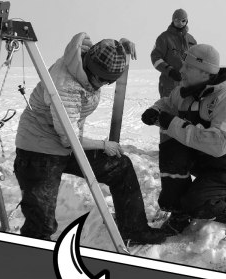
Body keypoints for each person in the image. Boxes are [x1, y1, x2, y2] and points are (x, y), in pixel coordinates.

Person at [13, 34, 168, 245]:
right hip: (39, 150)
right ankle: (33, 252)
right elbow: (69, 139)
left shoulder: (88, 59)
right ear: (88, 66)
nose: (102, 84)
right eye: (100, 78)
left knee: (120, 167)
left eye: (108, 81)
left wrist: (120, 49)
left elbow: (105, 52)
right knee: (41, 222)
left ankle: (134, 230)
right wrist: (104, 145)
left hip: (66, 144)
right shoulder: (65, 86)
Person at [141, 43, 226, 233]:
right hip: (204, 157)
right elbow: (168, 103)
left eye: (188, 67)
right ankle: (179, 212)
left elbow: (218, 144)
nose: (181, 70)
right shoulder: (186, 90)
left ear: (205, 73)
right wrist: (156, 110)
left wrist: (172, 123)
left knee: (197, 204)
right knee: (171, 145)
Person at [150, 9, 196, 98]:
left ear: (187, 21)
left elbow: (197, 60)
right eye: (177, 20)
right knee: (168, 106)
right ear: (173, 20)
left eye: (183, 21)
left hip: (187, 85)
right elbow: (155, 58)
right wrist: (170, 71)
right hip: (169, 84)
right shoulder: (163, 38)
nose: (180, 23)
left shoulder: (191, 40)